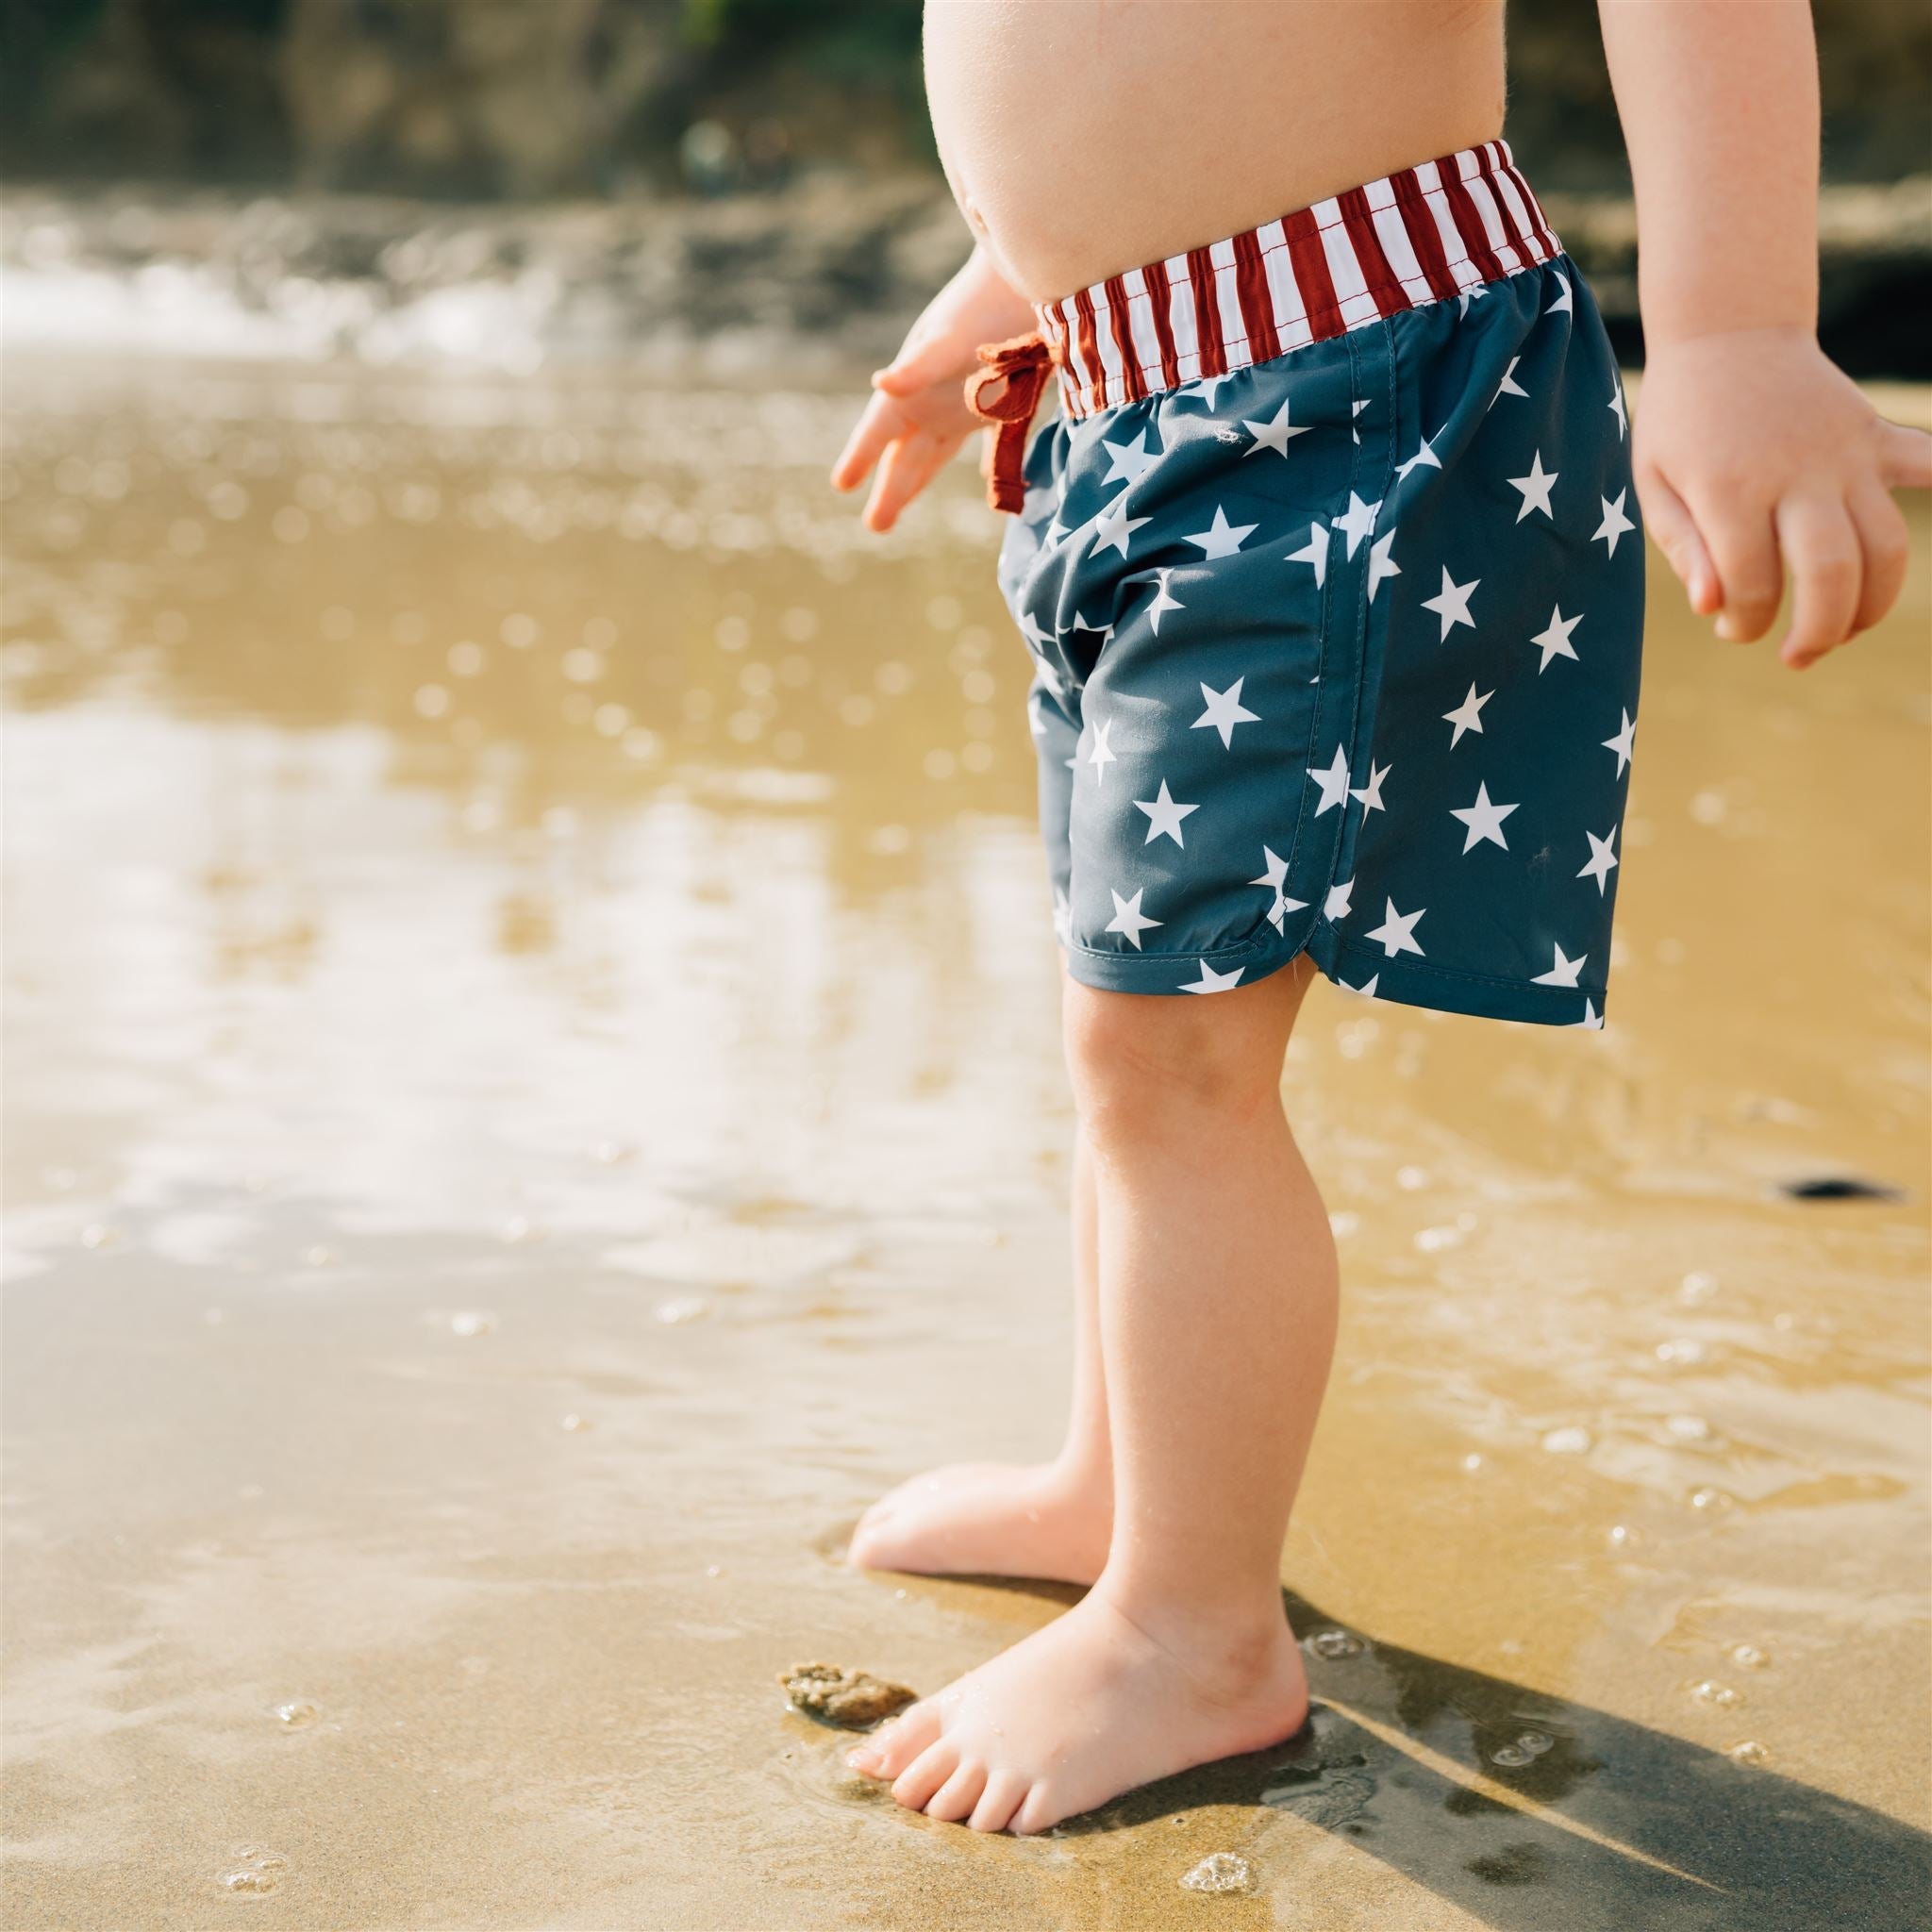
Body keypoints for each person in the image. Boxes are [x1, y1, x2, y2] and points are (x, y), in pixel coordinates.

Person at [827, 0, 1930, 1838]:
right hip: (1130, 393)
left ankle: (1192, 1625)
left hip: (1351, 398)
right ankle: (1123, 1484)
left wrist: (1734, 329)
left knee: (1171, 1045)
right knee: (1126, 1000)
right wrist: (1018, 271)